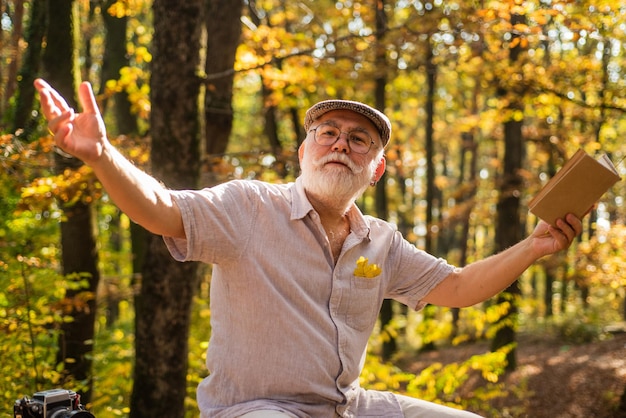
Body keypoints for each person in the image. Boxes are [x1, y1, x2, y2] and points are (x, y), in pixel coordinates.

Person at [35, 78, 582, 418]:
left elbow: (461, 287)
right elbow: (160, 207)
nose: (341, 143)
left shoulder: (382, 243)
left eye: (358, 139)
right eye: (328, 132)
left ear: (376, 168)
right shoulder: (249, 207)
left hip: (348, 409)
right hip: (254, 411)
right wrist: (102, 155)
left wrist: (535, 245)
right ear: (304, 152)